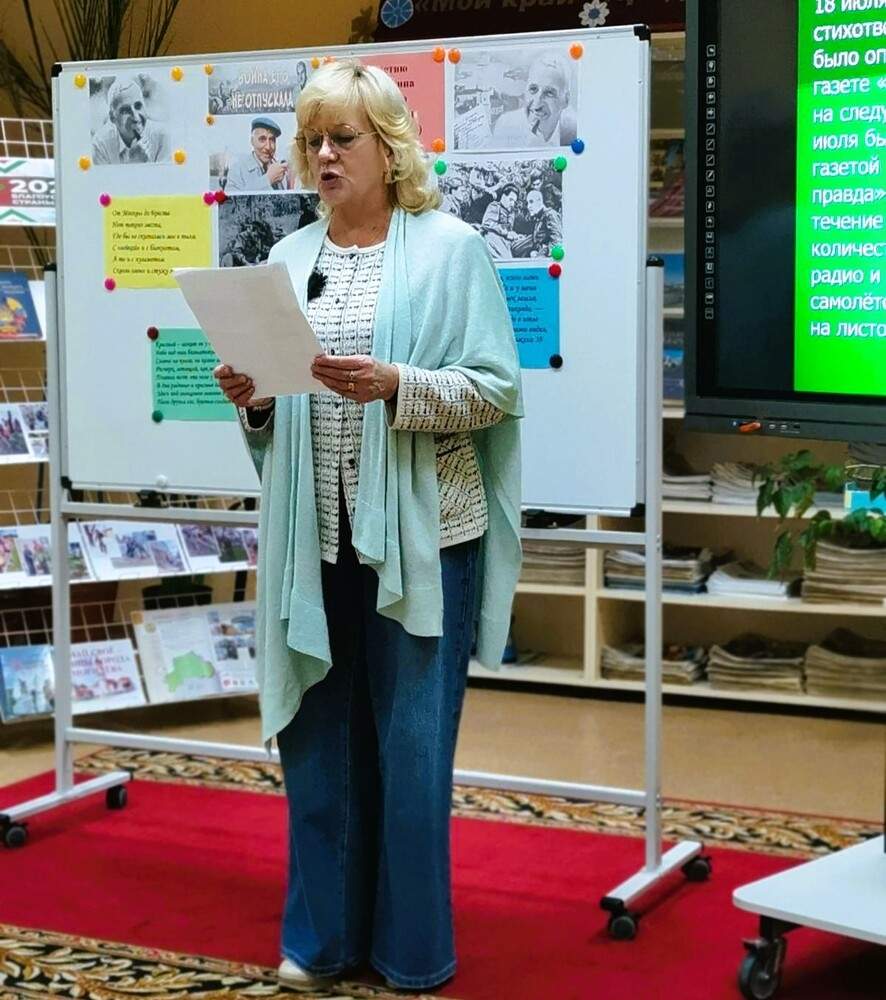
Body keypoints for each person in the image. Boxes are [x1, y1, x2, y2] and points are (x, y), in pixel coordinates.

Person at [213, 58, 522, 993]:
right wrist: (254, 400)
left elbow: (495, 391)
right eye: (312, 140)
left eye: (341, 138)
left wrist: (398, 385)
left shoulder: (452, 250)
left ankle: (410, 951)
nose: (322, 155)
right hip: (316, 540)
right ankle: (322, 941)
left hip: (425, 541)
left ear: (388, 148)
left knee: (411, 754)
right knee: (317, 744)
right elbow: (275, 418)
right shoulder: (287, 258)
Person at [491, 55, 577, 148]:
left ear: (566, 100)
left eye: (549, 93)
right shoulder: (506, 125)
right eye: (533, 89)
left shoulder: (575, 130)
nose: (537, 102)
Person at [92, 76, 171, 164]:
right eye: (125, 111)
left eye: (138, 106)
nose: (136, 117)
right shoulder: (100, 144)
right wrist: (135, 163)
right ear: (112, 117)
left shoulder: (163, 137)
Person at [224, 116, 289, 192]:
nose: (268, 147)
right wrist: (267, 179)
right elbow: (230, 199)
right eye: (262, 139)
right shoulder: (237, 170)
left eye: (272, 140)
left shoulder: (279, 170)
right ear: (252, 141)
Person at [480, 183, 520, 259]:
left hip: (506, 241)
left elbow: (509, 228)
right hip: (494, 239)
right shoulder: (494, 206)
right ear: (503, 196)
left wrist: (514, 234)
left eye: (514, 201)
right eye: (510, 199)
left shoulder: (511, 212)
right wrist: (506, 233)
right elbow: (487, 224)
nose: (512, 204)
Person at [524, 187, 563, 258]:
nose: (528, 206)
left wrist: (543, 255)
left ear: (539, 201)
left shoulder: (550, 215)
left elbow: (557, 241)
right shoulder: (539, 218)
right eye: (527, 203)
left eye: (531, 202)